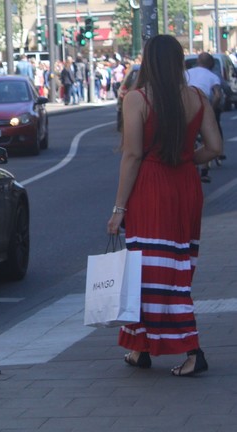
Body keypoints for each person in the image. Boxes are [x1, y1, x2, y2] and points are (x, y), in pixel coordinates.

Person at [107, 35, 223, 377]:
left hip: (151, 189)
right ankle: (140, 349)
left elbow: (132, 155)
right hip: (185, 187)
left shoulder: (137, 99)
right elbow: (215, 147)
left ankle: (192, 350)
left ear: (148, 61)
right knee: (175, 270)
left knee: (153, 274)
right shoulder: (197, 97)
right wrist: (187, 159)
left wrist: (118, 209)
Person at [186, 52, 224, 182]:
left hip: (185, 105)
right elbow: (218, 95)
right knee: (208, 139)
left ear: (198, 61)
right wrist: (211, 109)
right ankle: (204, 170)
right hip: (202, 104)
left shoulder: (187, 73)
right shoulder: (213, 76)